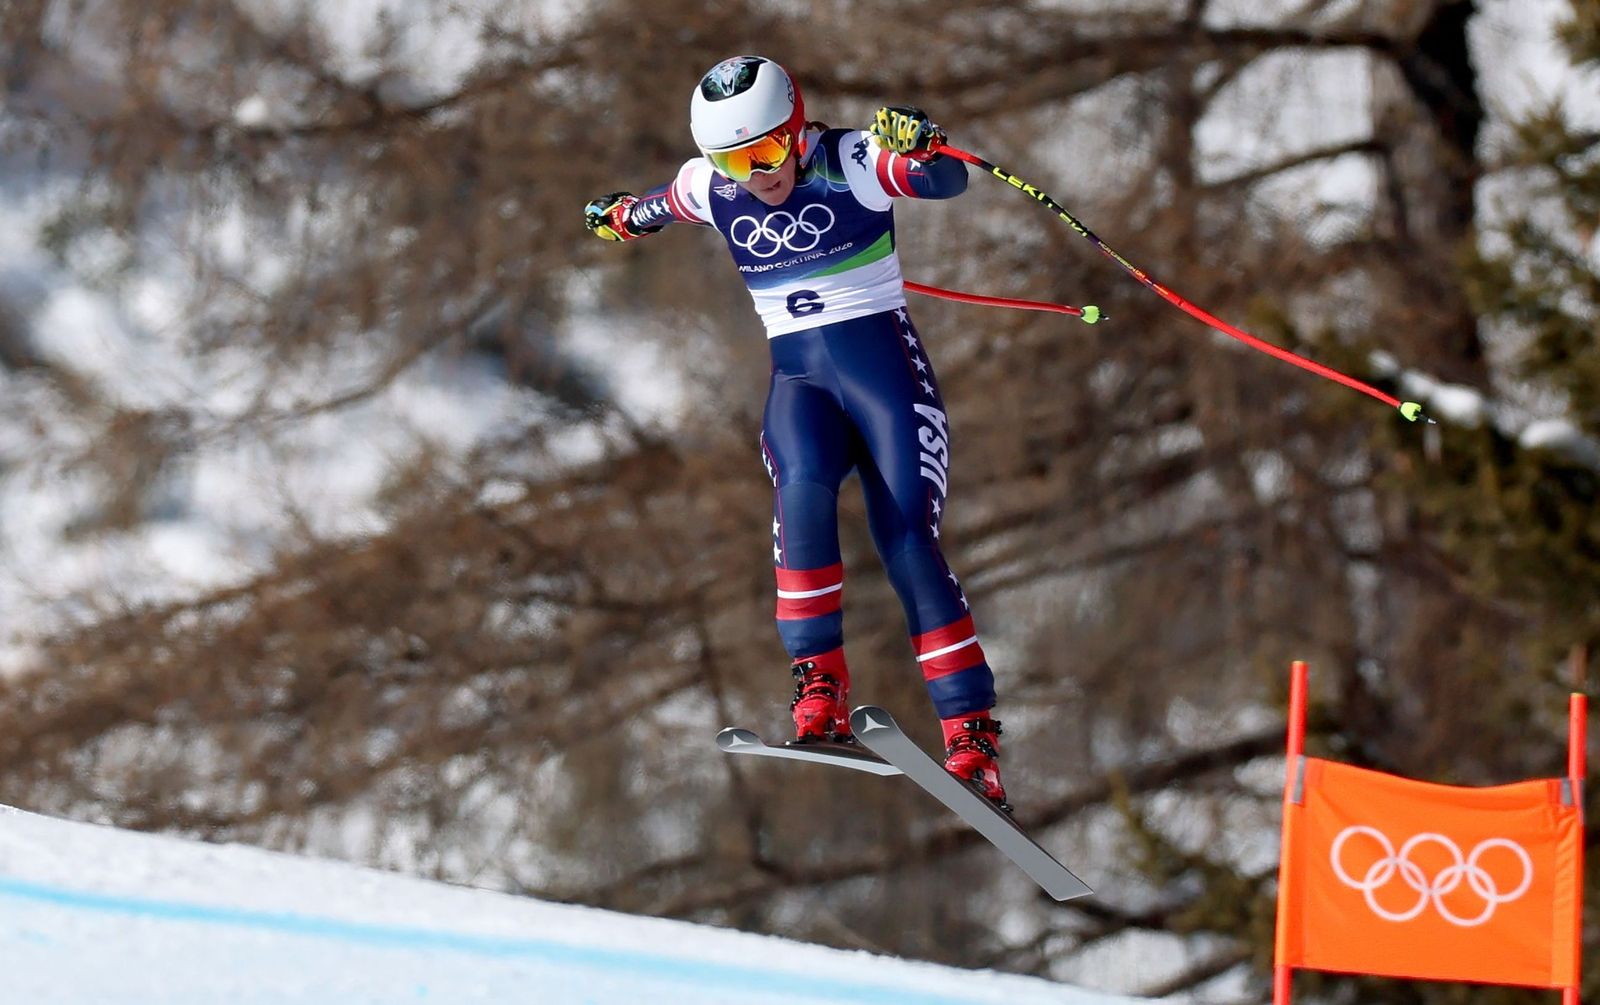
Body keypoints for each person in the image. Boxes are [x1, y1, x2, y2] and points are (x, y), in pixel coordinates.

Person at [584, 56, 1008, 809]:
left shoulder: (851, 161)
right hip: (800, 386)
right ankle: (819, 685)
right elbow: (655, 206)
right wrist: (617, 218)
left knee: (907, 541)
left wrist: (924, 147)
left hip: (889, 385)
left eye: (770, 152)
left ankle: (971, 737)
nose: (758, 175)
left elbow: (946, 183)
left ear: (797, 126)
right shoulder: (711, 188)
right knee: (802, 496)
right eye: (736, 160)